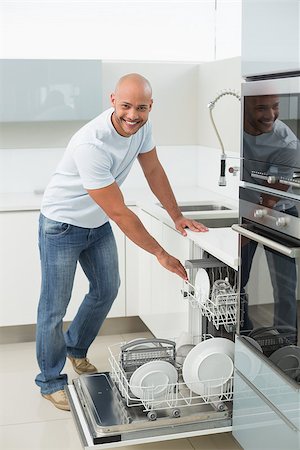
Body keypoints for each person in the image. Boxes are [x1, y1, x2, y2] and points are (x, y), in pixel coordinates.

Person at [35, 73, 208, 411]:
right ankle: (50, 382)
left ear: (150, 106)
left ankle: (75, 350)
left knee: (106, 289)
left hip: (96, 223)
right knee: (54, 306)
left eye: (141, 108)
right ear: (112, 100)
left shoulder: (142, 127)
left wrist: (177, 216)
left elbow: (154, 170)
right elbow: (119, 212)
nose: (133, 115)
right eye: (126, 105)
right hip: (61, 225)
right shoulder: (92, 144)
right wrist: (160, 252)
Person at [240, 94, 299, 340]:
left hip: (278, 211)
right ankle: (244, 334)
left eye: (275, 107)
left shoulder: (287, 142)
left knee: (284, 287)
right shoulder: (234, 128)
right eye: (262, 108)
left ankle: (285, 344)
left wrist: (246, 230)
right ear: (245, 108)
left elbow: (271, 197)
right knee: (237, 277)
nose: (270, 115)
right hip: (244, 208)